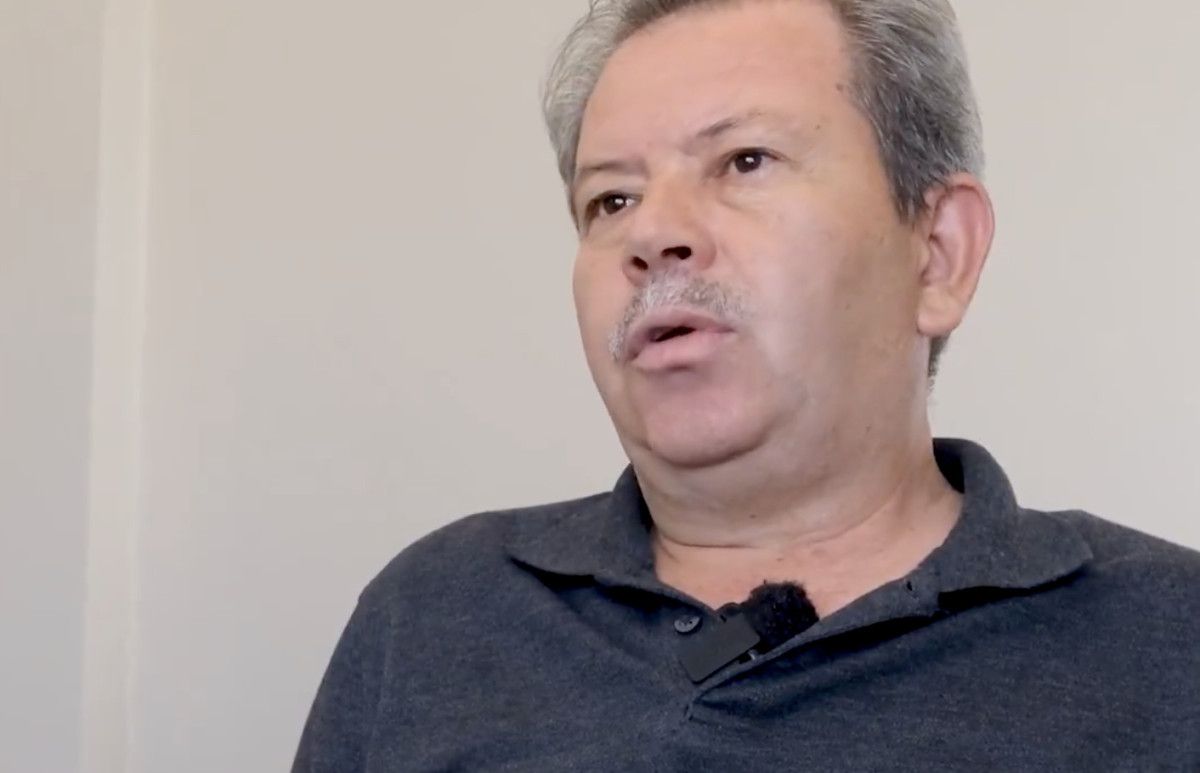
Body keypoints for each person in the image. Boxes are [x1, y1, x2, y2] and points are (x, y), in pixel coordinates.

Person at [293, 0, 1200, 769]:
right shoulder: (433, 613)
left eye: (744, 161)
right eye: (611, 199)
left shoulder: (1171, 639)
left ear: (936, 253)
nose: (654, 233)